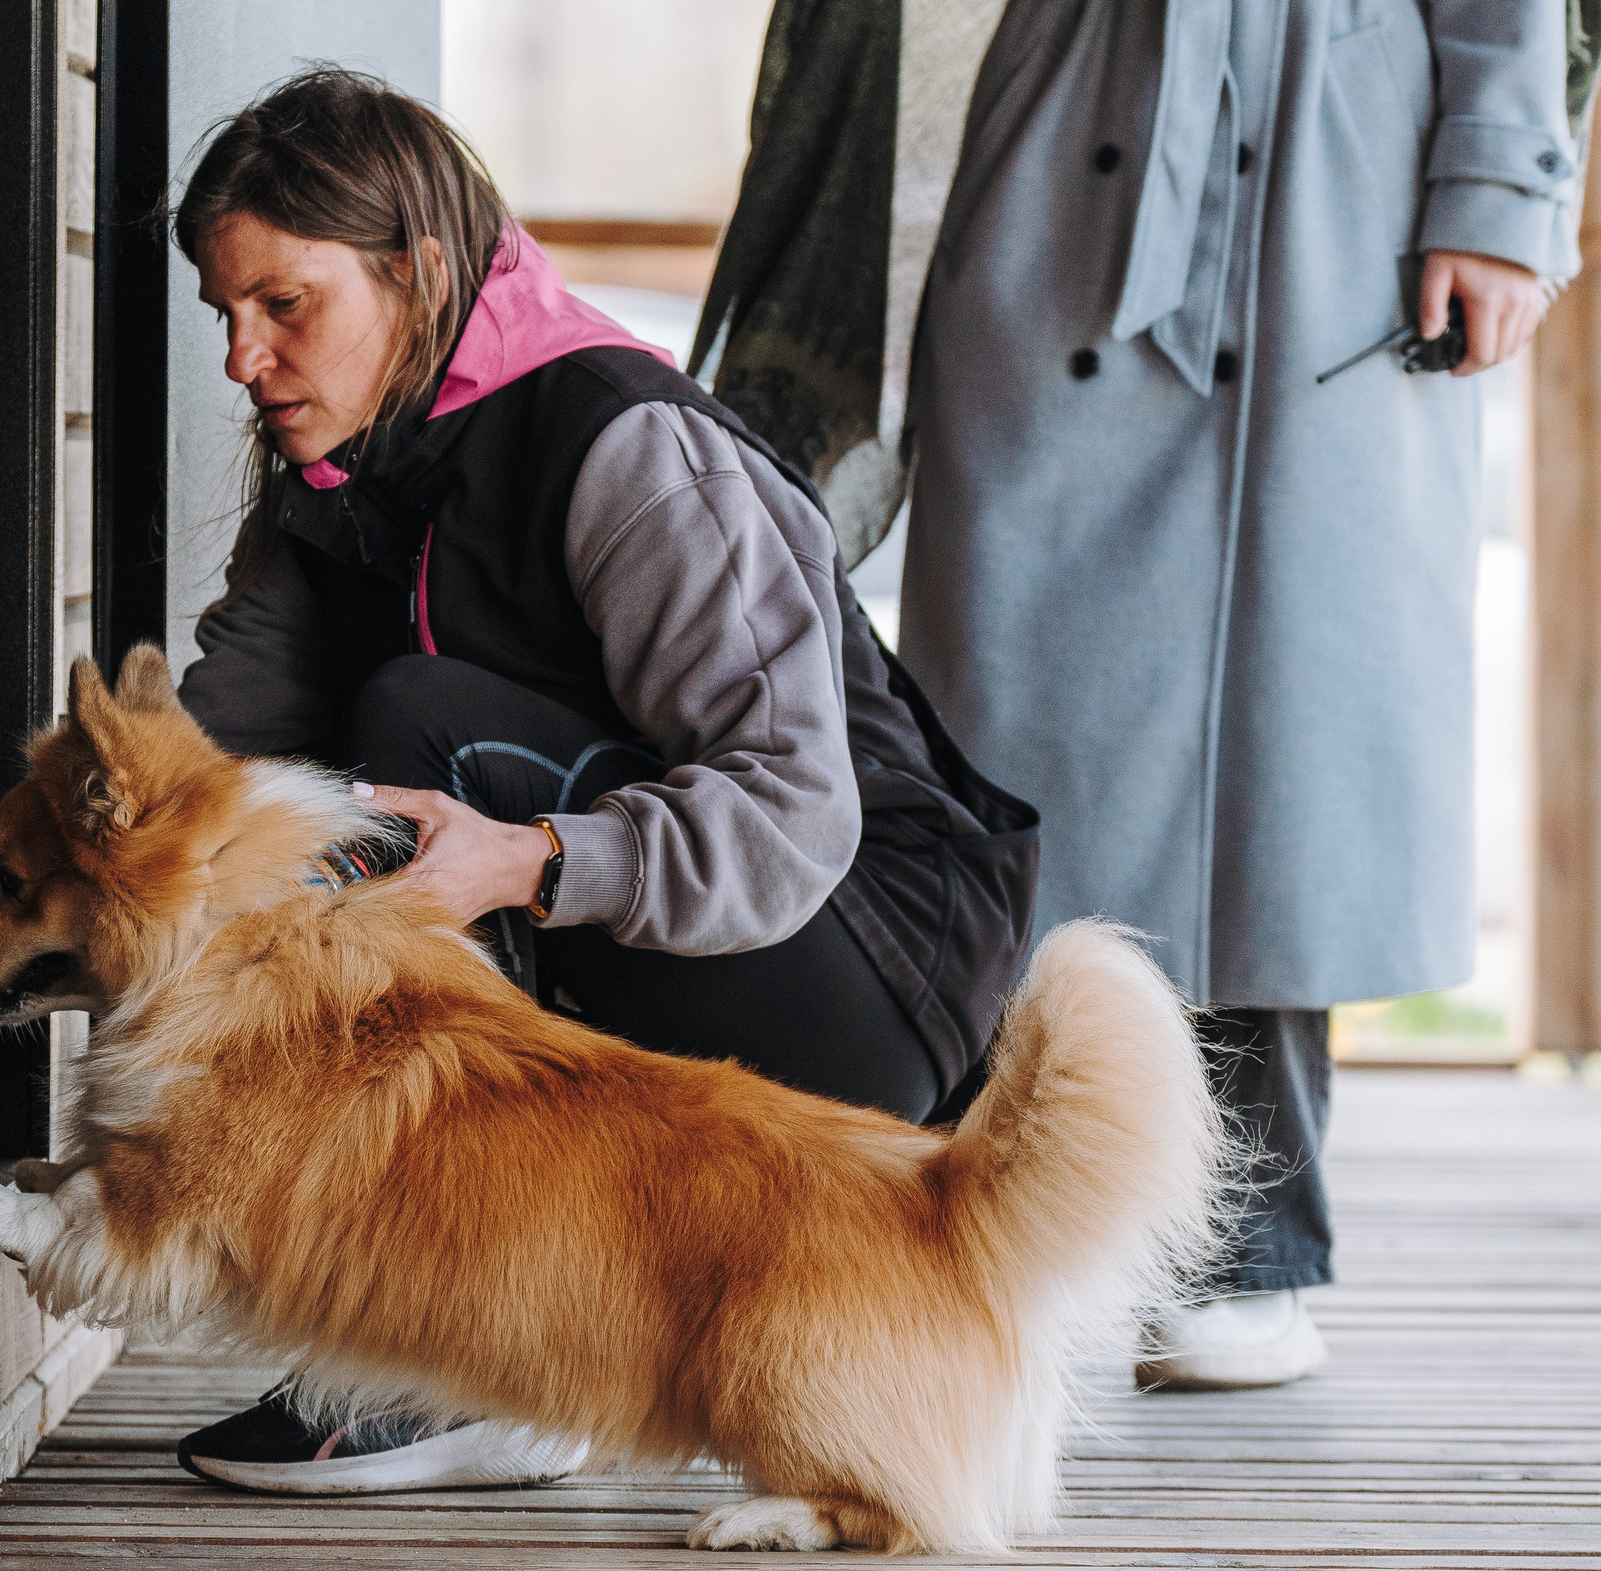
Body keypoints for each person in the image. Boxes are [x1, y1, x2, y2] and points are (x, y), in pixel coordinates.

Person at [162, 70, 1040, 1495]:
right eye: (227, 315)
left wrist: (524, 864)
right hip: (691, 933)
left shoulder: (620, 444)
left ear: (423, 274)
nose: (242, 358)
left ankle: (480, 1355)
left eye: (287, 305)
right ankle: (495, 1337)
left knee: (416, 730)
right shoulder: (333, 488)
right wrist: (8, 886)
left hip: (865, 961)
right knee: (335, 782)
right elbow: (200, 776)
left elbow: (793, 811)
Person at [900, 0, 1582, 1387]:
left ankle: (1239, 1249)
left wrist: (1502, 187)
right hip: (1072, 130)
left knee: (1281, 743)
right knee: (1010, 697)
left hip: (1337, 184)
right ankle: (989, 1223)